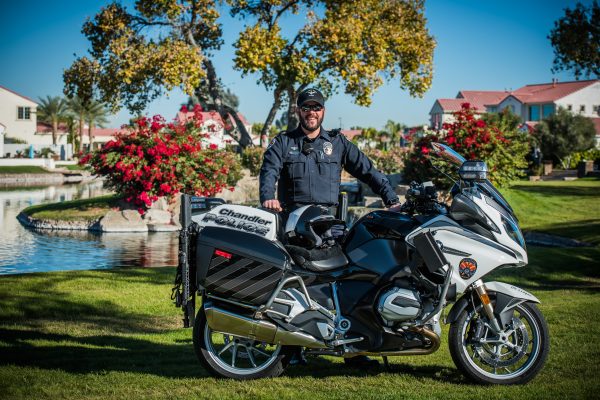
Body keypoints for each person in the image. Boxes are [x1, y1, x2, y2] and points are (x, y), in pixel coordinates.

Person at [259, 87, 402, 368]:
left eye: (316, 108)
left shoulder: (338, 144)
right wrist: (268, 195)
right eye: (306, 107)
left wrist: (392, 198)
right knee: (294, 283)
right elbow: (269, 170)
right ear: (298, 110)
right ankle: (292, 349)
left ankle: (355, 351)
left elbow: (367, 170)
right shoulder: (284, 142)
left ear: (323, 111)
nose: (311, 113)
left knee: (352, 280)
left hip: (330, 225)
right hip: (295, 225)